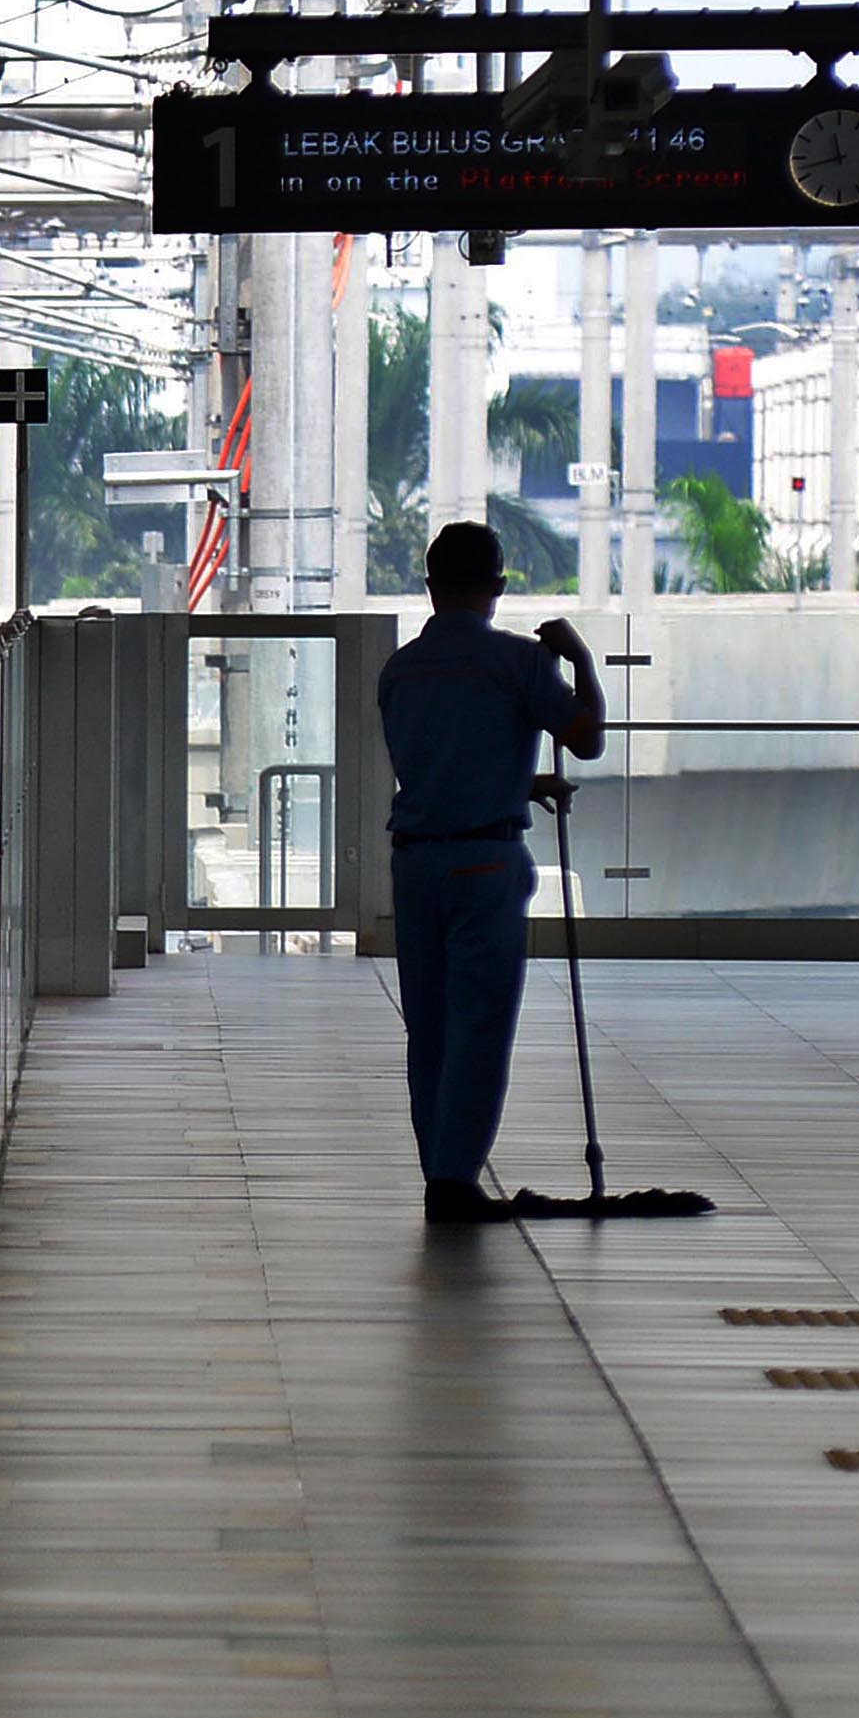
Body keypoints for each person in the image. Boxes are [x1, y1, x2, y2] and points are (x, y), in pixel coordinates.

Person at [377, 521, 606, 1227]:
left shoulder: (401, 671)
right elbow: (588, 739)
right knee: (480, 1022)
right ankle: (454, 1178)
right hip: (485, 863)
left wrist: (520, 782)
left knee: (431, 1025)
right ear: (499, 588)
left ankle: (436, 1171)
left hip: (416, 863)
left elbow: (446, 763)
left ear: (430, 585)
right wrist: (580, 662)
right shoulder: (519, 663)